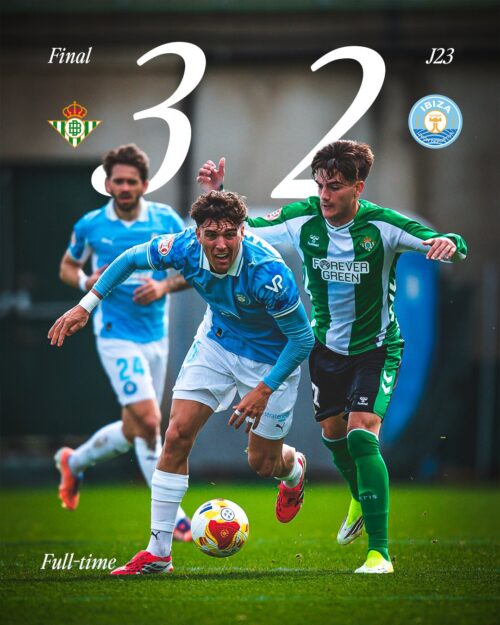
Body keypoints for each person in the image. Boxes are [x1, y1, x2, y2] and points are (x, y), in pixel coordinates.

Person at [197, 141, 468, 574]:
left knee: (362, 436)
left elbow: (451, 242)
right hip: (326, 350)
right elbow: (244, 230)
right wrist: (219, 193)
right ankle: (360, 495)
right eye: (320, 185)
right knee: (334, 436)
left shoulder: (383, 226)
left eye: (335, 186)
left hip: (376, 349)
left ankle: (379, 553)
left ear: (358, 187)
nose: (325, 195)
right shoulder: (302, 218)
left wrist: (449, 244)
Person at [48, 190, 315, 575]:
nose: (220, 244)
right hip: (217, 343)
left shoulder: (269, 273)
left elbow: (302, 340)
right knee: (175, 435)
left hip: (271, 360)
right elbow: (129, 259)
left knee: (262, 463)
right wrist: (86, 306)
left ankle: (294, 470)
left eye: (230, 234)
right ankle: (158, 553)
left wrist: (264, 389)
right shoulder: (183, 246)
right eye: (211, 234)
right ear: (197, 233)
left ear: (242, 231)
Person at [55, 143, 192, 541]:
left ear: (145, 184)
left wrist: (163, 286)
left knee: (136, 428)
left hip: (156, 336)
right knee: (150, 422)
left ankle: (73, 462)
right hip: (115, 335)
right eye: (119, 181)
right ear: (108, 184)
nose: (126, 187)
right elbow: (67, 266)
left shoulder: (165, 220)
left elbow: (194, 267)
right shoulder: (91, 225)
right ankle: (175, 518)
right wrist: (86, 280)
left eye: (132, 181)